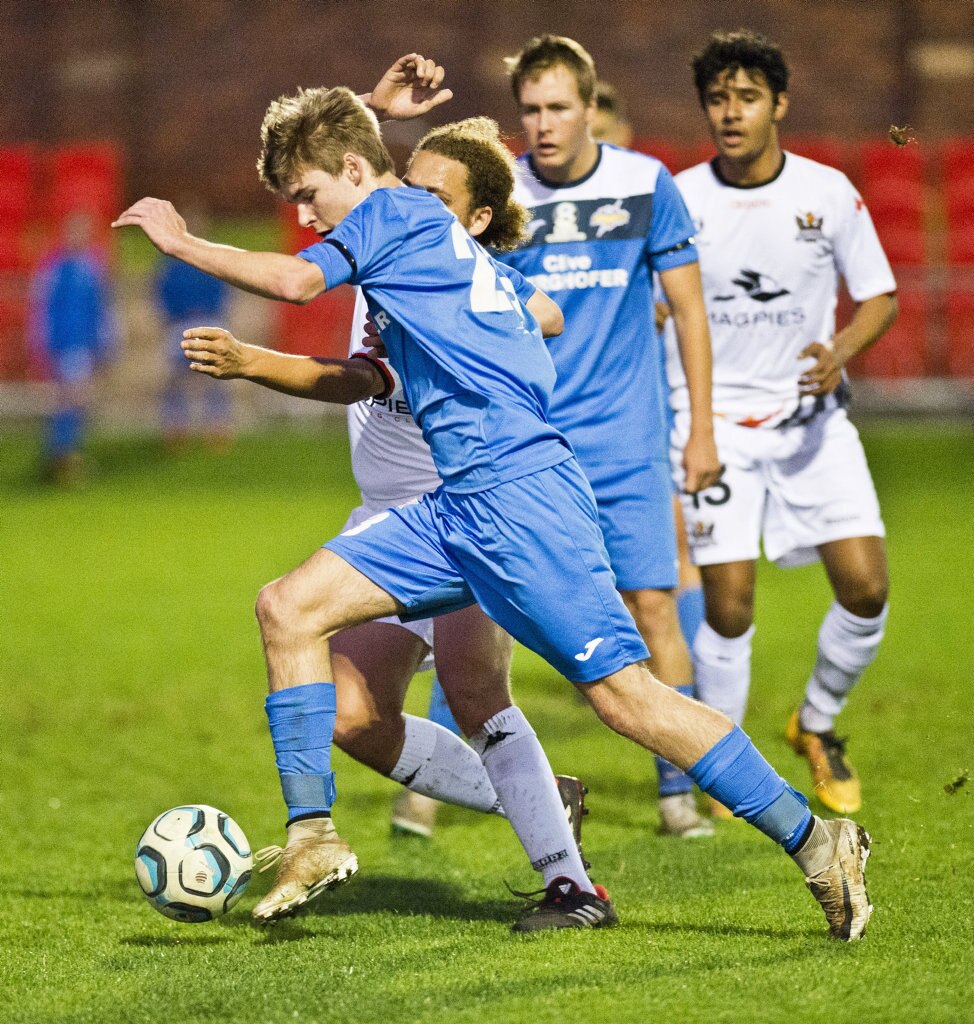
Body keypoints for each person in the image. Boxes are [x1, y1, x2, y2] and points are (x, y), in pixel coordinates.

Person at [114, 77, 873, 941]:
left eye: (308, 197)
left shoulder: (392, 218)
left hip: (518, 500)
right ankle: (313, 835)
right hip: (454, 510)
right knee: (287, 608)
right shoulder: (425, 234)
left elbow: (294, 281)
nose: (309, 217)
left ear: (355, 172)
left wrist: (180, 241)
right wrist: (368, 116)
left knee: (627, 700)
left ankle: (819, 842)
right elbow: (400, 276)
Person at [178, 115, 591, 886]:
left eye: (434, 196)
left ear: (474, 221)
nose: (409, 202)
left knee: (476, 692)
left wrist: (482, 327)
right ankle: (538, 801)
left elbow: (546, 313)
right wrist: (372, 107)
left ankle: (568, 880)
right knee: (352, 717)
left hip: (463, 505)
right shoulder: (382, 255)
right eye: (408, 185)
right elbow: (341, 169)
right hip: (385, 519)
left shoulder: (459, 275)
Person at [665, 30, 896, 815]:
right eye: (718, 99)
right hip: (717, 424)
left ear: (779, 104)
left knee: (866, 589)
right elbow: (652, 301)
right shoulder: (683, 198)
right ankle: (729, 763)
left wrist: (839, 350)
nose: (731, 113)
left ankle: (817, 723)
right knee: (728, 604)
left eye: (747, 97)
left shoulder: (827, 193)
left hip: (812, 424)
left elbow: (880, 298)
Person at [496, 36, 720, 838]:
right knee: (489, 611)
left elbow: (689, 312)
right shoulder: (502, 193)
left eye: (559, 107)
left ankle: (678, 788)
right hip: (528, 442)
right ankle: (444, 785)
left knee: (655, 606)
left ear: (592, 108)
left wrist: (700, 427)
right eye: (530, 110)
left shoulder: (645, 184)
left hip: (627, 438)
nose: (544, 124)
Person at [587, 80, 708, 656]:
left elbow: (692, 299)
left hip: (653, 404)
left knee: (674, 560)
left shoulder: (644, 191)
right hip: (595, 409)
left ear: (623, 136)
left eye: (601, 133)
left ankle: (701, 694)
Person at [29, 210, 114, 485]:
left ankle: (61, 457)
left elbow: (101, 308)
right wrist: (41, 342)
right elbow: (42, 308)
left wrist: (104, 341)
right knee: (72, 400)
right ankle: (62, 457)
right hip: (65, 343)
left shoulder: (92, 267)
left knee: (75, 401)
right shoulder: (54, 268)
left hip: (84, 344)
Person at [155, 204, 234, 450]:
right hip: (179, 324)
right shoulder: (171, 260)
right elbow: (161, 291)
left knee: (216, 375)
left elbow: (223, 287)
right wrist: (172, 315)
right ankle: (176, 427)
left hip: (209, 320)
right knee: (177, 378)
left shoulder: (213, 256)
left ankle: (217, 426)